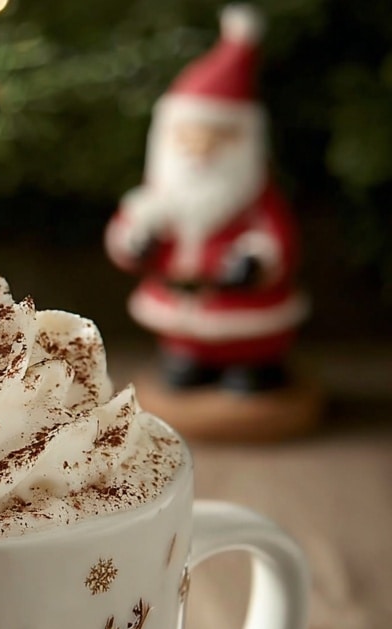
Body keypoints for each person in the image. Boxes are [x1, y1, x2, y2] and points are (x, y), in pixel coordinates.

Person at [105, 5, 308, 393]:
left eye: (217, 140)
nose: (200, 152)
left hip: (247, 321)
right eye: (188, 139)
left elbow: (277, 242)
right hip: (180, 319)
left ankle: (255, 367)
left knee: (253, 366)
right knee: (181, 366)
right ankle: (188, 361)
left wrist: (254, 262)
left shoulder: (254, 201)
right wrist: (135, 243)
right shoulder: (156, 199)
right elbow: (125, 231)